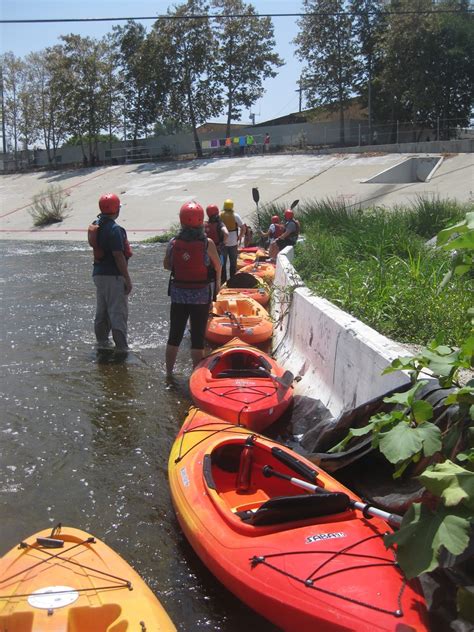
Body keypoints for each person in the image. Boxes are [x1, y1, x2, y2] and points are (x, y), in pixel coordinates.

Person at [164, 201, 221, 376]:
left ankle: (169, 373)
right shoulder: (207, 243)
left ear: (181, 221)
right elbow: (218, 266)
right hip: (201, 296)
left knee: (175, 335)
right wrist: (217, 288)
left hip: (179, 295)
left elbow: (167, 265)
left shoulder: (174, 242)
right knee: (197, 338)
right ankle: (197, 375)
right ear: (200, 220)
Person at [88, 193, 132, 351]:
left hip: (98, 274)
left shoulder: (96, 223)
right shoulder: (115, 229)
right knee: (117, 313)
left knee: (102, 311)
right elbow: (118, 255)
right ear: (115, 209)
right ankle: (122, 349)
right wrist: (127, 279)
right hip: (113, 276)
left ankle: (102, 345)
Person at [204, 203, 228, 297]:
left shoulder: (205, 224)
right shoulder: (220, 224)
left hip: (206, 251)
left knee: (208, 272)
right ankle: (217, 291)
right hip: (217, 251)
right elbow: (226, 233)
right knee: (219, 269)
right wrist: (224, 243)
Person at [219, 198, 245, 281]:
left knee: (223, 264)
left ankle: (223, 281)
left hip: (223, 243)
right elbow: (243, 228)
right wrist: (240, 236)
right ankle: (233, 280)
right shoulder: (236, 215)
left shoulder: (220, 215)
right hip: (233, 243)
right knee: (233, 263)